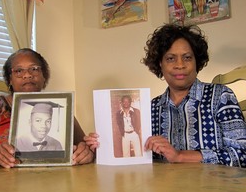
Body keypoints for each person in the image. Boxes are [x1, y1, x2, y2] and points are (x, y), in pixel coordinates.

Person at [84, 23, 246, 168]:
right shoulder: (150, 109)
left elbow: (242, 155)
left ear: (197, 60)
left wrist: (180, 156)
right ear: (160, 64)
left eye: (187, 57)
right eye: (170, 58)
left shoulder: (220, 96)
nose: (180, 65)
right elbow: (141, 158)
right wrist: (101, 146)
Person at [0, 48, 94, 171]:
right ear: (9, 79)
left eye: (34, 69)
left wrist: (86, 152)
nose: (27, 75)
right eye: (18, 71)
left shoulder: (62, 106)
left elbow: (83, 147)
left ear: (44, 76)